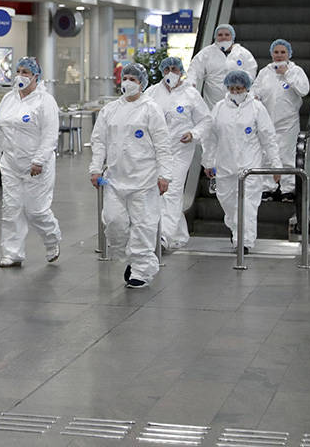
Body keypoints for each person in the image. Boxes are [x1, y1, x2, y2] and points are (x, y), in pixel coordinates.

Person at [89, 63, 176, 289]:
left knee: (144, 226)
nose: (128, 82)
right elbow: (99, 141)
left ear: (142, 83)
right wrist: (95, 168)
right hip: (115, 180)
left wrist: (165, 175)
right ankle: (131, 256)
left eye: (133, 79)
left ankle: (141, 269)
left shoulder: (151, 109)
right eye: (125, 77)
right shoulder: (110, 110)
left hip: (144, 180)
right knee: (114, 222)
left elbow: (163, 145)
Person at [0, 56, 62, 267]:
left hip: (36, 165)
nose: (20, 76)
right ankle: (12, 253)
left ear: (36, 76)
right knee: (11, 209)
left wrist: (39, 160)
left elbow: (49, 135)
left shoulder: (45, 101)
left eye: (26, 72)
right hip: (11, 163)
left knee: (36, 210)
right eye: (18, 71)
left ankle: (52, 240)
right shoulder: (8, 99)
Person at [202, 70, 280, 254]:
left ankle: (244, 241)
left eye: (239, 88)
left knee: (248, 205)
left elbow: (268, 138)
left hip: (250, 167)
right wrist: (208, 161)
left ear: (247, 87)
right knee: (228, 204)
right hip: (225, 166)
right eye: (232, 88)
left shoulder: (257, 109)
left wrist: (276, 165)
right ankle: (236, 228)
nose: (236, 91)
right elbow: (210, 137)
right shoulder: (219, 108)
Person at [143, 56, 210, 252]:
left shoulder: (191, 94)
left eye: (175, 69)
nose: (171, 72)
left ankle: (163, 236)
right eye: (167, 69)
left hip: (180, 151)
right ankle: (179, 233)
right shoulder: (152, 92)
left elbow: (206, 120)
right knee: (160, 192)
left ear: (181, 71)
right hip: (156, 151)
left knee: (171, 191)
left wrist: (193, 134)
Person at [252, 39, 310, 201]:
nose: (279, 55)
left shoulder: (296, 70)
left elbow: (304, 90)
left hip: (288, 122)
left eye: (282, 52)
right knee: (266, 154)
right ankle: (267, 188)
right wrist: (255, 97)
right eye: (276, 52)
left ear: (289, 54)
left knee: (287, 155)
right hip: (266, 120)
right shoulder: (265, 72)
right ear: (271, 53)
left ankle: (288, 189)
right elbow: (255, 90)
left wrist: (287, 73)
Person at [187, 24, 258, 107]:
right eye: (220, 35)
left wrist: (244, 84)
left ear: (233, 36)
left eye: (227, 35)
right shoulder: (206, 53)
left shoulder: (243, 53)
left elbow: (251, 70)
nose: (223, 37)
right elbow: (194, 69)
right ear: (215, 37)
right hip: (213, 101)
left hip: (238, 99)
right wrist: (190, 83)